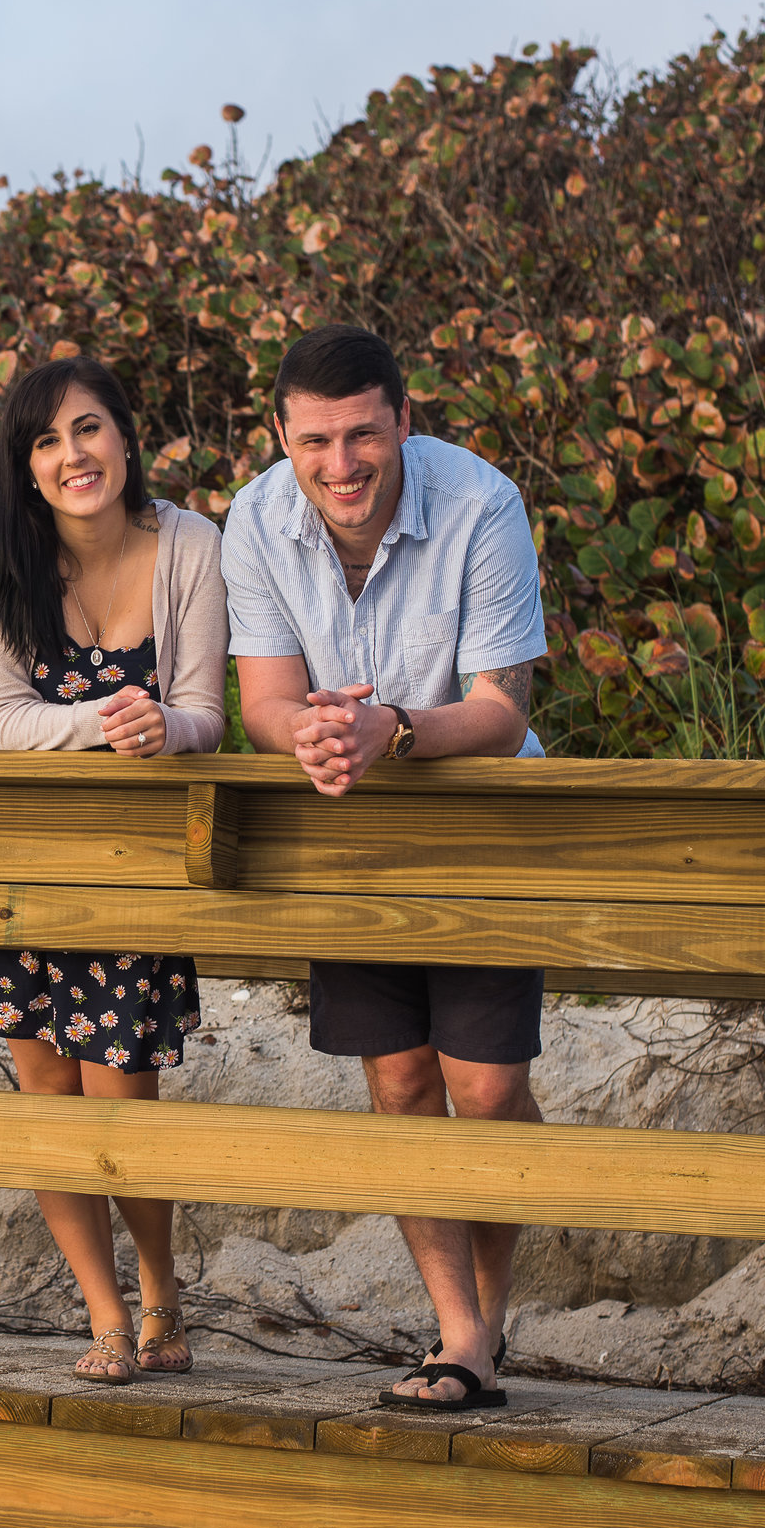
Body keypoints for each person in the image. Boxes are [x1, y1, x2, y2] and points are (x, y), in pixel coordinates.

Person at [219, 323, 549, 1412]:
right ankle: (462, 1336)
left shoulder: (481, 503)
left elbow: (503, 713)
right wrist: (304, 736)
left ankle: (485, 1320)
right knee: (403, 1082)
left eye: (362, 435)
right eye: (314, 441)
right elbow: (263, 698)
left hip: (482, 823)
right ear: (281, 435)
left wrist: (395, 731)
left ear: (402, 419)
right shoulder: (256, 517)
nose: (340, 465)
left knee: (489, 1089)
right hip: (349, 830)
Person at [0, 355, 229, 1386]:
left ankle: (159, 1292)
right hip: (13, 857)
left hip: (129, 867)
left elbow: (206, 711)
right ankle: (104, 1316)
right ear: (24, 466)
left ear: (125, 438)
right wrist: (107, 723)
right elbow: (3, 716)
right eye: (47, 440)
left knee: (122, 1094)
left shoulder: (189, 544)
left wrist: (165, 725)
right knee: (47, 1095)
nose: (74, 456)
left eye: (90, 429)